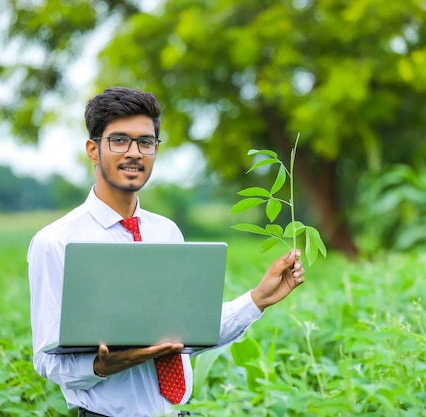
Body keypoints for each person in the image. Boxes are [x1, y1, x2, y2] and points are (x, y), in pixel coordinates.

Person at [27, 86, 305, 417]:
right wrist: (102, 365)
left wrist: (258, 298)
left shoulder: (166, 231)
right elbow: (46, 360)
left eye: (146, 142)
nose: (134, 153)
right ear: (93, 149)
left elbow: (186, 336)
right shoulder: (56, 242)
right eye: (119, 140)